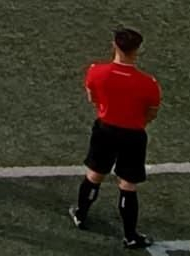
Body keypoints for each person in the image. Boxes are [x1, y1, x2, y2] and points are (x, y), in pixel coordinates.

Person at [70, 27, 161, 250]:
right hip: (133, 135)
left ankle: (81, 214)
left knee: (95, 174)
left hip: (105, 130)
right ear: (137, 50)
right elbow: (151, 112)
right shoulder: (148, 83)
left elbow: (93, 98)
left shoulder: (96, 72)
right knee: (128, 184)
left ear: (114, 45)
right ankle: (130, 235)